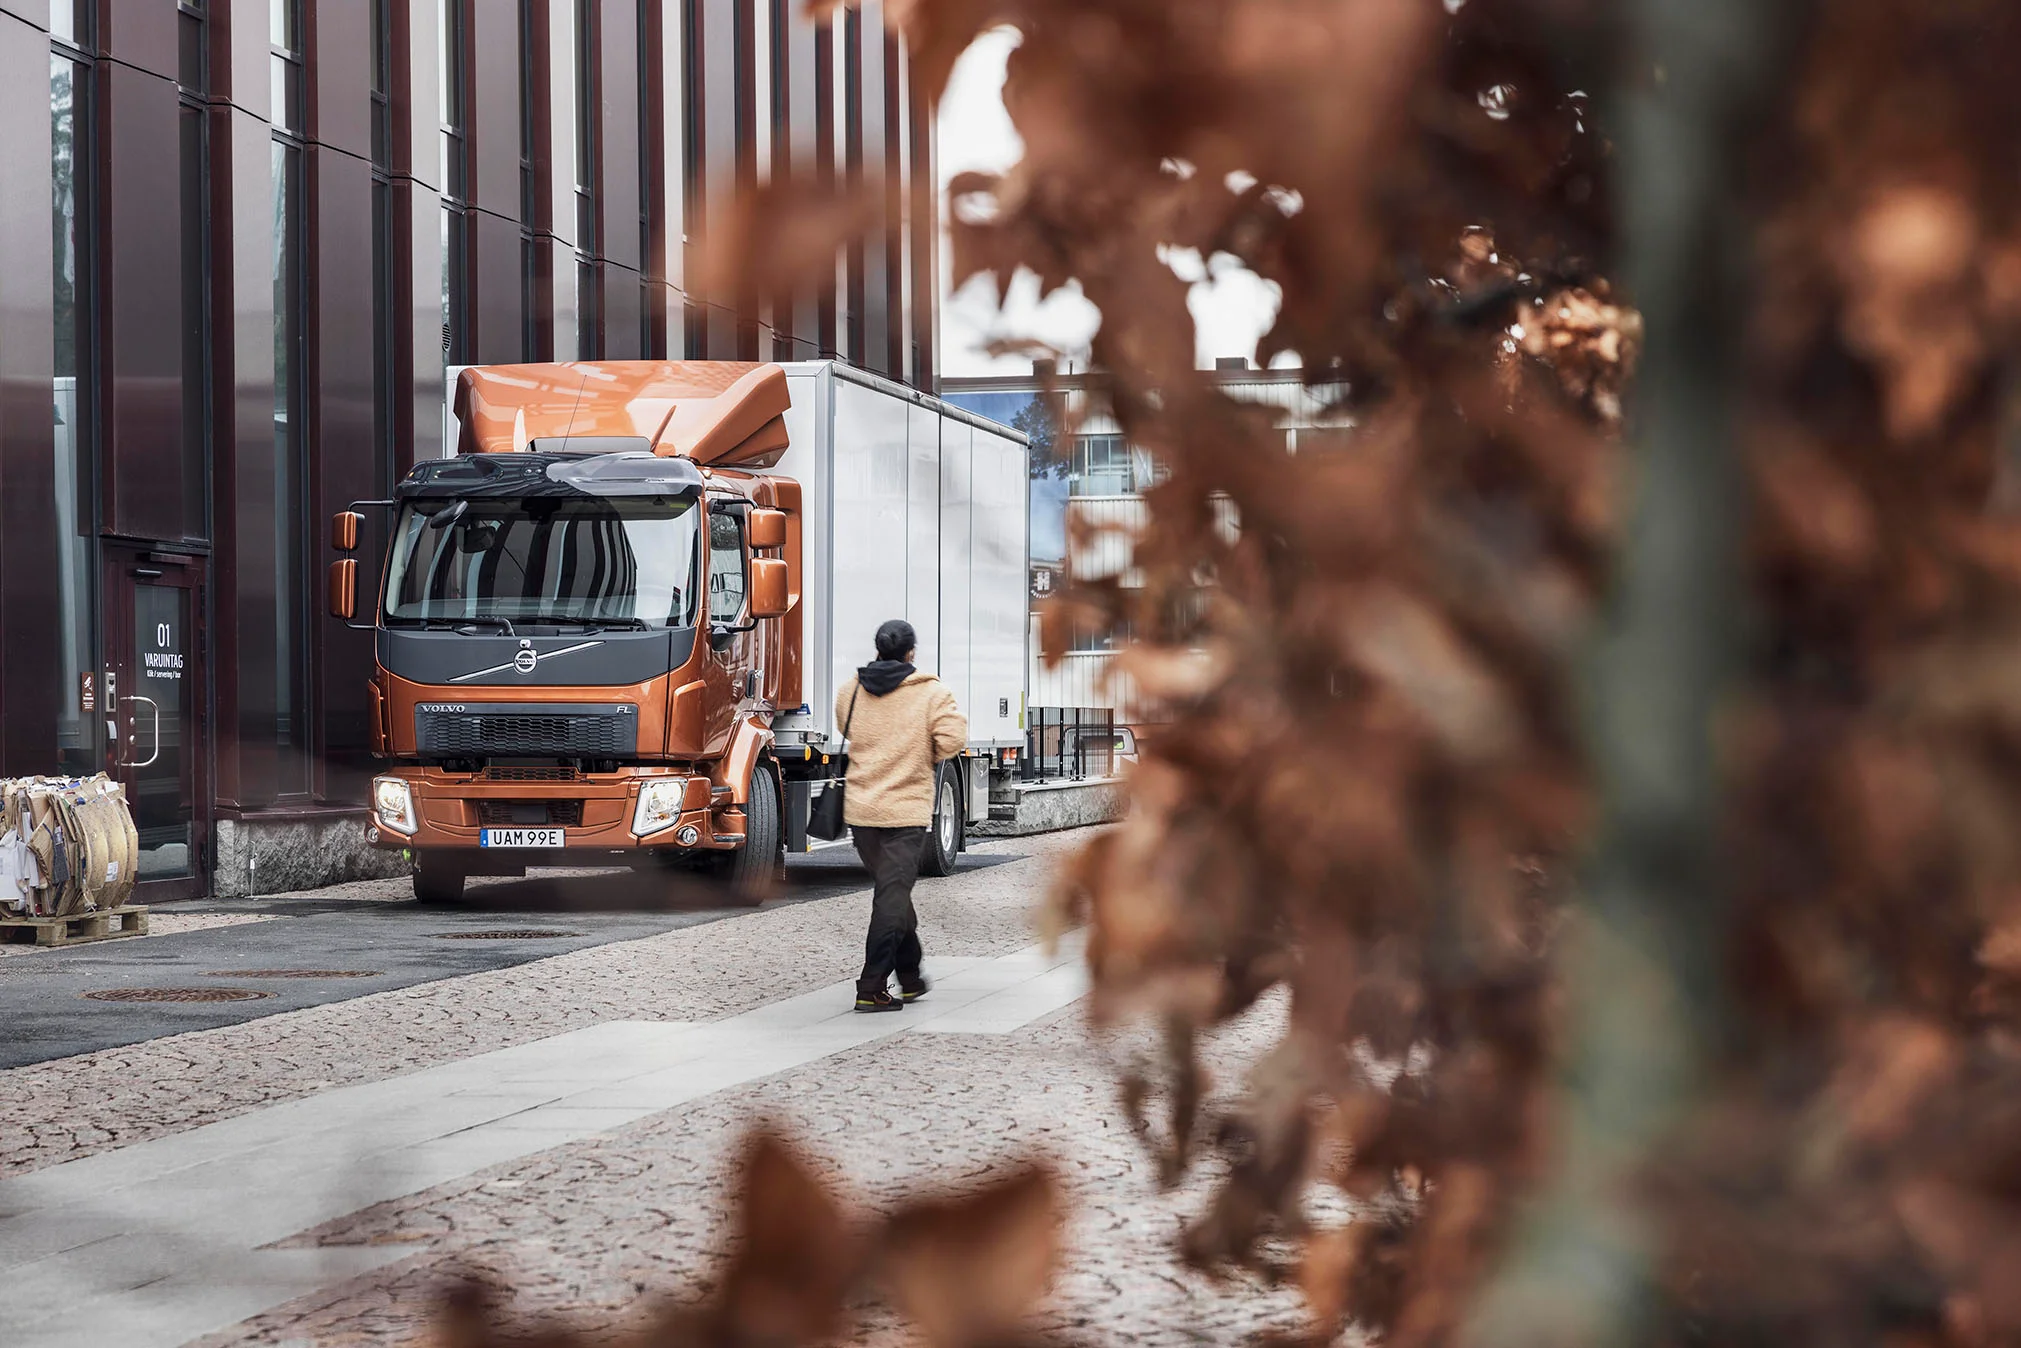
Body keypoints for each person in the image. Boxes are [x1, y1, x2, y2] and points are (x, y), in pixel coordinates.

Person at [836, 619, 968, 1012]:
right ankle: (871, 986)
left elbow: (845, 725)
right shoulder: (932, 693)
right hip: (906, 814)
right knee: (891, 899)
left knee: (893, 895)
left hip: (862, 813)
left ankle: (909, 977)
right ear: (911, 652)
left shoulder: (851, 690)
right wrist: (916, 750)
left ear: (878, 648)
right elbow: (951, 741)